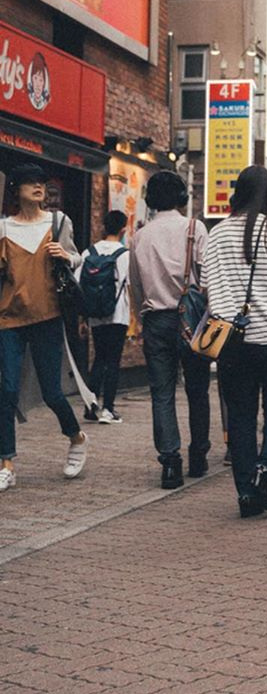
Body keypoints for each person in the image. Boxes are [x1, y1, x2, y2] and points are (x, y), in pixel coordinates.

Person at [202, 165, 267, 517]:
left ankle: (246, 492)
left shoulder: (216, 234)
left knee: (241, 415)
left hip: (231, 339)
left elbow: (206, 289)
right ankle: (266, 469)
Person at [0, 161, 88, 491]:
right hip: (8, 318)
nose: (39, 187)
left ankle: (76, 437)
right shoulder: (4, 228)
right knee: (6, 391)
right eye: (30, 182)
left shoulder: (58, 221)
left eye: (42, 182)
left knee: (52, 392)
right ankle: (6, 462)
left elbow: (78, 257)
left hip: (47, 317)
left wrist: (65, 256)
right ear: (16, 190)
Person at [129, 170, 212, 489]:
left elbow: (135, 285)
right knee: (198, 389)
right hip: (193, 321)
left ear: (150, 200)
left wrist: (140, 320)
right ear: (182, 197)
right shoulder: (195, 228)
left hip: (156, 320)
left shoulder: (140, 235)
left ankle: (170, 462)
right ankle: (199, 455)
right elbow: (207, 280)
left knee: (162, 393)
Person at [78, 209, 131, 424]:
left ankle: (90, 406)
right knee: (113, 360)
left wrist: (82, 319)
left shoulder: (88, 253)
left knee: (99, 358)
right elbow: (132, 285)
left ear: (104, 227)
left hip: (95, 315)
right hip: (118, 315)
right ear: (123, 229)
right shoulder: (125, 254)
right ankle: (108, 410)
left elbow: (79, 285)